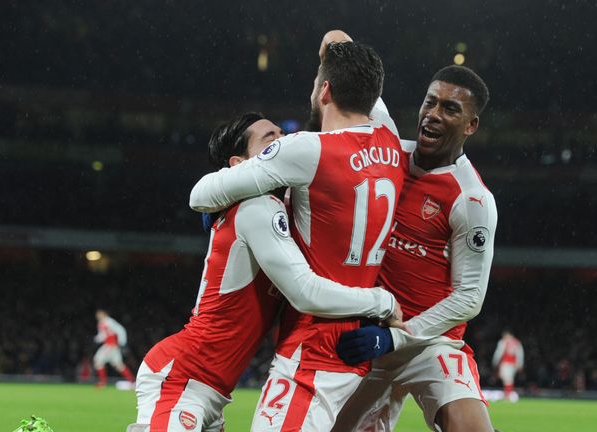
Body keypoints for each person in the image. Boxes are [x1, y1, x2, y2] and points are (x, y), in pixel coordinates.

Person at [127, 112, 403, 432]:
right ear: (238, 164)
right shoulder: (257, 208)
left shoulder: (289, 208)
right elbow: (305, 292)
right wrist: (380, 300)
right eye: (269, 139)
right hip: (183, 376)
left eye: (281, 134)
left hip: (212, 389)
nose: (282, 142)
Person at [189, 35, 411, 431]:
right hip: (359, 342)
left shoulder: (308, 150)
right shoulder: (391, 140)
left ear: (324, 90)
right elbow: (356, 72)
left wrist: (225, 199)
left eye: (316, 82)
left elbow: (200, 194)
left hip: (314, 344)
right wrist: (339, 50)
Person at [333, 63, 497, 432]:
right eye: (431, 102)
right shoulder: (387, 154)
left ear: (471, 126)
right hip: (367, 335)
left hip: (427, 343)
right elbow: (344, 54)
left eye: (450, 109)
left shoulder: (472, 199)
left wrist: (398, 335)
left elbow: (470, 296)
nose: (434, 114)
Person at [93, 309, 135, 387]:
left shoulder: (109, 321)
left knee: (98, 360)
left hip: (110, 345)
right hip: (111, 346)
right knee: (119, 365)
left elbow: (120, 330)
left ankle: (102, 382)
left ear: (104, 314)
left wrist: (122, 342)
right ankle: (132, 381)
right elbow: (103, 335)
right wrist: (96, 339)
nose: (98, 316)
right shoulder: (101, 323)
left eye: (99, 314)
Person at [492, 330, 524, 402]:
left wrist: (495, 362)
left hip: (506, 363)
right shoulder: (516, 342)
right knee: (508, 379)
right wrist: (520, 363)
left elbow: (499, 352)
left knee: (507, 380)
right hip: (513, 364)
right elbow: (520, 354)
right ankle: (508, 395)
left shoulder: (504, 341)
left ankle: (507, 396)